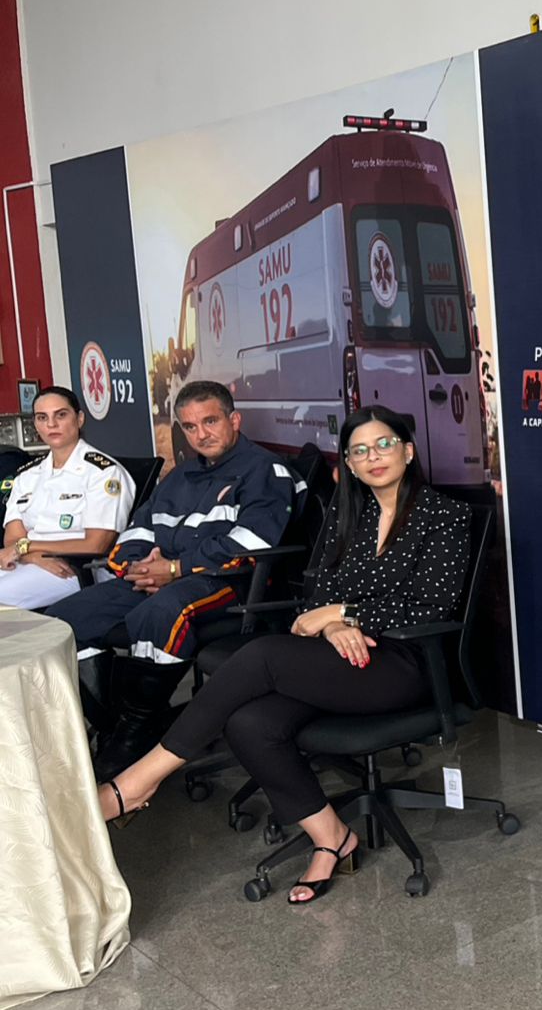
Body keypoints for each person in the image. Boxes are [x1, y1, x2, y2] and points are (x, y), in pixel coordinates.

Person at [98, 405, 471, 906]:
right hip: (339, 656)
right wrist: (332, 622)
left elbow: (431, 604)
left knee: (264, 656)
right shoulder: (348, 513)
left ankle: (137, 782)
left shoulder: (444, 514)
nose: (373, 456)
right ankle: (332, 838)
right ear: (349, 465)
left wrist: (342, 613)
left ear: (408, 451)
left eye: (384, 444)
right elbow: (317, 591)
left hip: (406, 661)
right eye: (360, 450)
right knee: (250, 723)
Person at [53, 379, 300, 773]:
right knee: (62, 621)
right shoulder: (179, 476)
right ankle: (114, 723)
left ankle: (134, 737)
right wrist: (137, 567)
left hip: (232, 583)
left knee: (162, 612)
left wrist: (175, 569)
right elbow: (137, 530)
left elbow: (252, 543)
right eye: (190, 426)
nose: (201, 434)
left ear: (234, 420)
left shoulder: (265, 470)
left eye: (210, 421)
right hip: (160, 576)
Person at [0, 387, 135, 609]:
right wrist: (30, 555)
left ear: (79, 419)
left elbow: (96, 544)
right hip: (28, 562)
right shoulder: (27, 476)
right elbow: (13, 538)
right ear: (36, 425)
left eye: (61, 415)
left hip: (74, 569)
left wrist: (26, 547)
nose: (51, 424)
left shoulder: (104, 472)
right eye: (42, 418)